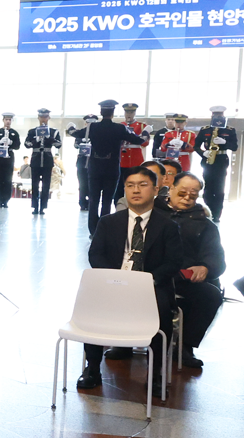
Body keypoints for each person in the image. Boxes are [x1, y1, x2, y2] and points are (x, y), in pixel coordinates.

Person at [76, 166, 183, 390]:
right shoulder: (108, 222)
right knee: (91, 304)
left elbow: (173, 262)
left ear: (155, 189)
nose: (136, 190)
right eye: (130, 185)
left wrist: (145, 281)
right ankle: (92, 368)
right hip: (113, 283)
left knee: (162, 308)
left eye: (142, 185)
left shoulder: (168, 226)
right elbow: (95, 254)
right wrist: (115, 278)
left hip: (150, 287)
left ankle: (155, 373)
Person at [166, 173, 224, 369]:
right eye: (182, 193)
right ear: (171, 188)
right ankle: (122, 342)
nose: (187, 198)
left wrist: (206, 267)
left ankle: (185, 346)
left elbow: (216, 258)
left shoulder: (204, 223)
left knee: (210, 295)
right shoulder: (154, 212)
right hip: (149, 274)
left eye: (193, 195)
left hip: (182, 278)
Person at [82, 100, 131, 233]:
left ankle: (93, 230)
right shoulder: (119, 128)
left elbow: (76, 134)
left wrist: (70, 128)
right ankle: (103, 229)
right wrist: (144, 133)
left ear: (101, 112)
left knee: (93, 200)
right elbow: (137, 140)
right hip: (111, 168)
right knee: (107, 201)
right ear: (113, 113)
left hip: (95, 168)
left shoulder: (92, 127)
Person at [193, 106, 237, 222]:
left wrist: (225, 142)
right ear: (212, 116)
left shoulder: (229, 130)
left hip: (221, 159)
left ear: (223, 116)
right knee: (208, 187)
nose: (218, 118)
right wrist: (203, 153)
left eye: (220, 115)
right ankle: (208, 211)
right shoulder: (205, 130)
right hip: (208, 160)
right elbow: (196, 146)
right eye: (215, 115)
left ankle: (217, 214)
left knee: (219, 188)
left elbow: (235, 147)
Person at [113, 102, 151, 206]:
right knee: (119, 186)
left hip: (135, 159)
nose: (129, 114)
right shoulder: (119, 126)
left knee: (136, 184)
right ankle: (118, 207)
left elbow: (145, 143)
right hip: (121, 159)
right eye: (127, 112)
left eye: (131, 112)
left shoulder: (142, 126)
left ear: (135, 113)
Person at [25, 109, 59, 215]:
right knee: (34, 185)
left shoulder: (54, 131)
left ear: (49, 118)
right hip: (35, 160)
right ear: (38, 118)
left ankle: (43, 207)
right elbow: (26, 144)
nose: (43, 119)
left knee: (46, 185)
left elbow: (59, 144)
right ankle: (35, 206)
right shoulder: (32, 131)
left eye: (45, 117)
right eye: (41, 117)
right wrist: (36, 140)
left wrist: (50, 139)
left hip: (47, 160)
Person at [0, 112, 20, 208]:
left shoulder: (14, 133)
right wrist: (0, 142)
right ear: (3, 120)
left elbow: (17, 146)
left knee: (8, 180)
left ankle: (6, 200)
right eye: (6, 119)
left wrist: (11, 142)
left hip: (9, 158)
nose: (8, 121)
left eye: (10, 120)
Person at [68, 114, 97, 212]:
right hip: (82, 162)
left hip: (93, 162)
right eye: (88, 122)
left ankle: (92, 202)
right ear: (85, 123)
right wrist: (82, 143)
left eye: (92, 122)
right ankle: (82, 203)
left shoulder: (98, 134)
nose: (89, 124)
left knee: (92, 184)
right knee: (82, 184)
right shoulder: (81, 134)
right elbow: (76, 145)